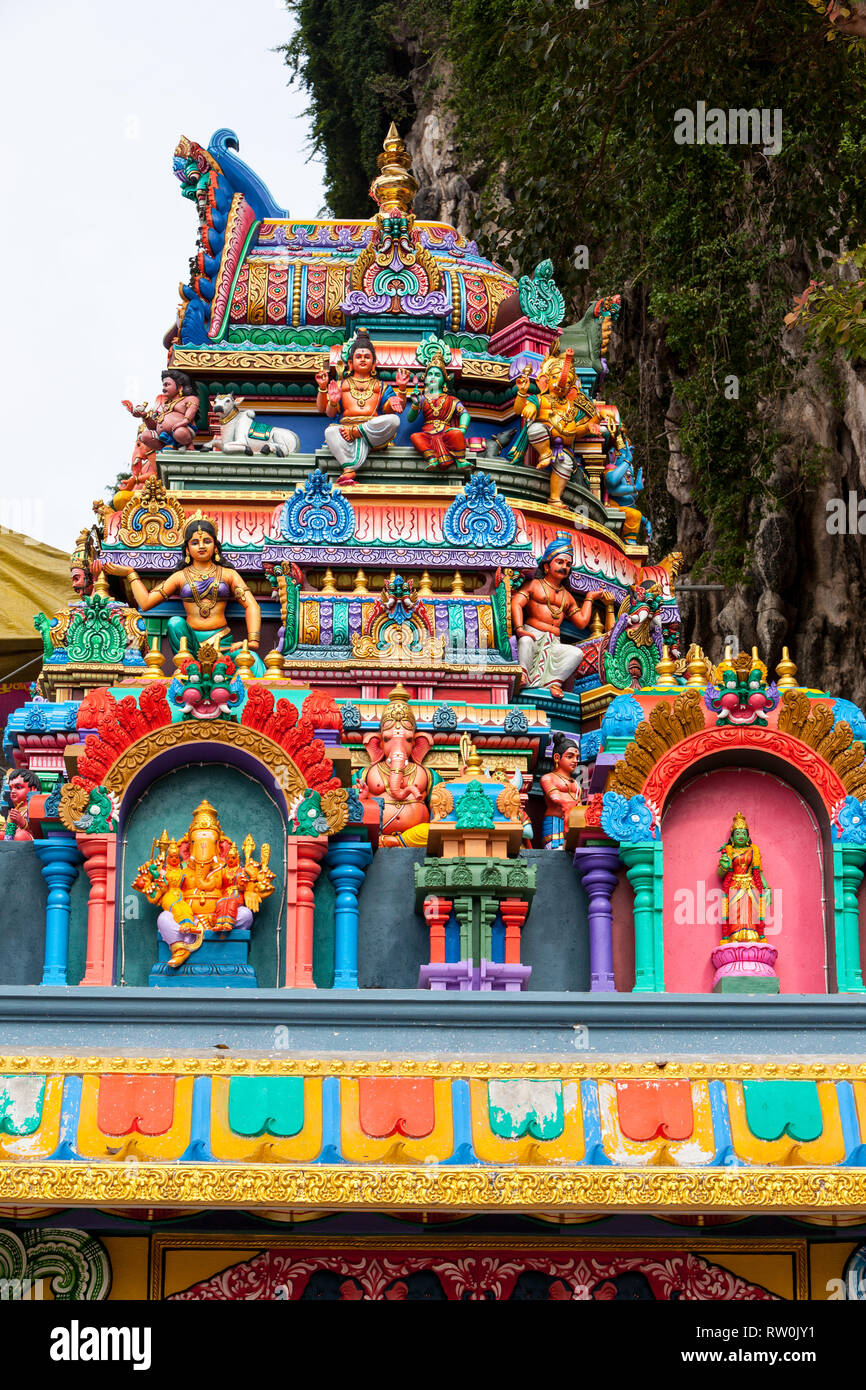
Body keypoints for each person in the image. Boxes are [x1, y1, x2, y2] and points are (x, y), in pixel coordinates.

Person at [102, 514, 265, 676]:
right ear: (187, 549)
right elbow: (145, 603)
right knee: (175, 623)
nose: (201, 546)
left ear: (215, 547)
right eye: (195, 542)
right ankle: (189, 668)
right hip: (190, 645)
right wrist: (131, 574)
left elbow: (251, 605)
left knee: (254, 661)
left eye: (207, 541)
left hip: (223, 645)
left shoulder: (228, 575)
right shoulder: (180, 576)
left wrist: (253, 641)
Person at [511, 535, 602, 698]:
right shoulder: (534, 585)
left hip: (554, 641)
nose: (564, 567)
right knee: (525, 642)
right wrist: (519, 629)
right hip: (532, 634)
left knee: (576, 654)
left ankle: (553, 682)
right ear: (546, 566)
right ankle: (523, 674)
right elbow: (516, 603)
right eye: (559, 562)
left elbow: (581, 623)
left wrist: (589, 598)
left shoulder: (567, 597)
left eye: (568, 564)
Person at [315, 331, 411, 486]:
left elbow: (394, 410)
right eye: (358, 356)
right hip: (345, 429)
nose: (363, 359)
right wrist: (326, 393)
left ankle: (357, 433)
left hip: (370, 431)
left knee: (393, 420)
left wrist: (401, 389)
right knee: (330, 431)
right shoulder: (341, 384)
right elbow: (326, 411)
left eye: (367, 357)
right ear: (350, 363)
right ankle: (349, 469)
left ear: (373, 364)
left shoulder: (380, 386)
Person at [408, 357, 471, 470]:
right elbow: (410, 419)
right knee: (415, 437)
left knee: (456, 434)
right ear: (425, 379)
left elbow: (465, 414)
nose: (433, 377)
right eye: (430, 374)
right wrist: (415, 404)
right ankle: (432, 459)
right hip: (428, 434)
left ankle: (460, 460)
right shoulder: (423, 399)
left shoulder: (452, 400)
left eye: (437, 375)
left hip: (446, 433)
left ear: (444, 381)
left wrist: (462, 429)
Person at [717, 812, 771, 943]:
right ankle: (734, 935)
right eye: (737, 833)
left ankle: (752, 935)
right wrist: (724, 866)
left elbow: (758, 872)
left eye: (743, 833)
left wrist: (766, 887)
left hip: (751, 886)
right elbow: (720, 874)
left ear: (747, 836)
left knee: (751, 912)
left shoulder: (754, 850)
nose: (740, 836)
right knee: (736, 912)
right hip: (734, 885)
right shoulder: (729, 851)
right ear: (732, 837)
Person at [540, 733, 583, 849]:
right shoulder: (548, 778)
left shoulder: (576, 783)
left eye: (577, 757)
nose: (575, 761)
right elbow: (556, 798)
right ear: (557, 758)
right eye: (570, 756)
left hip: (573, 825)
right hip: (555, 824)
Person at [2, 769, 41, 841]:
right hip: (11, 844)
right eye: (11, 789)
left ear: (32, 789)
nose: (13, 791)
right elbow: (6, 833)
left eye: (18, 787)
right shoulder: (14, 811)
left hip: (29, 842)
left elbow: (39, 833)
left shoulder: (36, 808)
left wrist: (22, 823)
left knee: (20, 835)